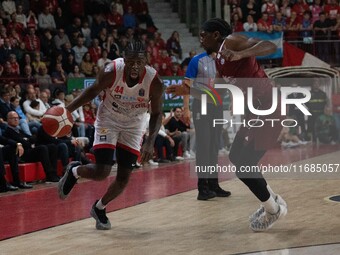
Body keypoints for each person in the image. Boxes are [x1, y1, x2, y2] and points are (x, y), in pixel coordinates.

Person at [166, 18, 287, 232]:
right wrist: (188, 91)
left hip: (269, 109)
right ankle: (272, 200)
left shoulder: (232, 41)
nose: (200, 39)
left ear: (215, 35)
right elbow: (217, 94)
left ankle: (272, 209)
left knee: (244, 165)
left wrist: (242, 54)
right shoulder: (219, 61)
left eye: (203, 35)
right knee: (236, 158)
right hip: (254, 113)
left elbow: (271, 46)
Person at [57, 40, 164, 230]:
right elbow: (92, 92)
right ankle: (74, 171)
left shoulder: (154, 81)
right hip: (109, 119)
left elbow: (156, 114)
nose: (135, 66)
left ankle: (99, 208)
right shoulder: (112, 70)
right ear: (124, 59)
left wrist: (149, 142)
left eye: (140, 62)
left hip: (134, 125)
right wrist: (68, 110)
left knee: (124, 177)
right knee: (102, 172)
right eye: (131, 61)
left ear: (146, 61)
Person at [178, 47, 231, 200]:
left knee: (214, 145)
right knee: (204, 146)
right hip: (201, 105)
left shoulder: (223, 62)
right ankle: (202, 188)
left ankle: (214, 185)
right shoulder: (197, 60)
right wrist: (186, 109)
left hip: (217, 106)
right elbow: (186, 85)